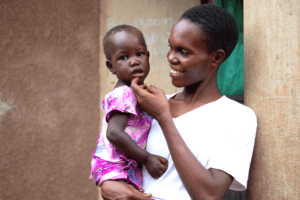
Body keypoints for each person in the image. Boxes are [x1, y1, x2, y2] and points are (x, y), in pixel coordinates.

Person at [101, 4, 257, 200]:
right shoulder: (147, 105)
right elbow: (112, 162)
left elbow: (208, 195)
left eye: (183, 52)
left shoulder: (237, 117)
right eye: (170, 47)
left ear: (216, 58)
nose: (171, 58)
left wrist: (164, 117)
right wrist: (110, 186)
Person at [90, 25, 168, 192]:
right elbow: (114, 133)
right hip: (116, 167)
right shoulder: (123, 93)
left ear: (148, 57)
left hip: (121, 166)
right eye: (124, 57)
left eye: (140, 54)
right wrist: (147, 158)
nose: (134, 61)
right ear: (111, 67)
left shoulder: (136, 92)